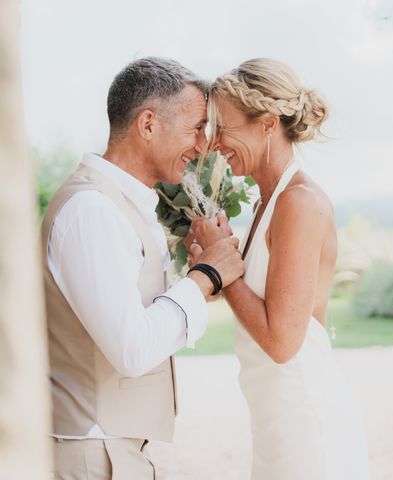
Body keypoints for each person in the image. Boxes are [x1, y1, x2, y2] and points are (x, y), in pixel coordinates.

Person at [42, 57, 244, 479]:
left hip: (111, 448)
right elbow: (131, 349)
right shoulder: (92, 211)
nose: (204, 146)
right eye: (196, 127)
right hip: (92, 452)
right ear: (148, 124)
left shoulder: (115, 205)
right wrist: (205, 276)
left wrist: (197, 278)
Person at [188, 58, 370, 480]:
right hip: (276, 423)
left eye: (224, 128)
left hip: (303, 423)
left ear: (267, 124)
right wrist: (207, 263)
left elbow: (282, 341)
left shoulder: (298, 203)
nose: (213, 145)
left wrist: (221, 268)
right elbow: (245, 293)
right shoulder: (263, 204)